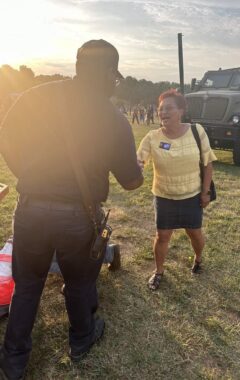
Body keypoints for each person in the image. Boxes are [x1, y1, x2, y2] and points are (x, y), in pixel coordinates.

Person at [0, 39, 143, 379]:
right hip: (79, 215)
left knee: (28, 283)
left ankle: (14, 360)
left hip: (31, 208)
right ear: (109, 73)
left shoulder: (35, 96)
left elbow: (5, 140)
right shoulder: (112, 117)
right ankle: (81, 339)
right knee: (79, 281)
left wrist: (31, 178)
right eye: (116, 77)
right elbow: (132, 183)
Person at [137, 89, 216, 291]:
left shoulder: (197, 131)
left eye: (168, 108)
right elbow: (139, 159)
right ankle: (159, 271)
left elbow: (207, 164)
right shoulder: (152, 137)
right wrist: (136, 166)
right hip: (164, 196)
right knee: (162, 236)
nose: (162, 112)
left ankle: (198, 259)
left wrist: (205, 192)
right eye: (160, 109)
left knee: (194, 233)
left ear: (181, 110)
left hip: (191, 195)